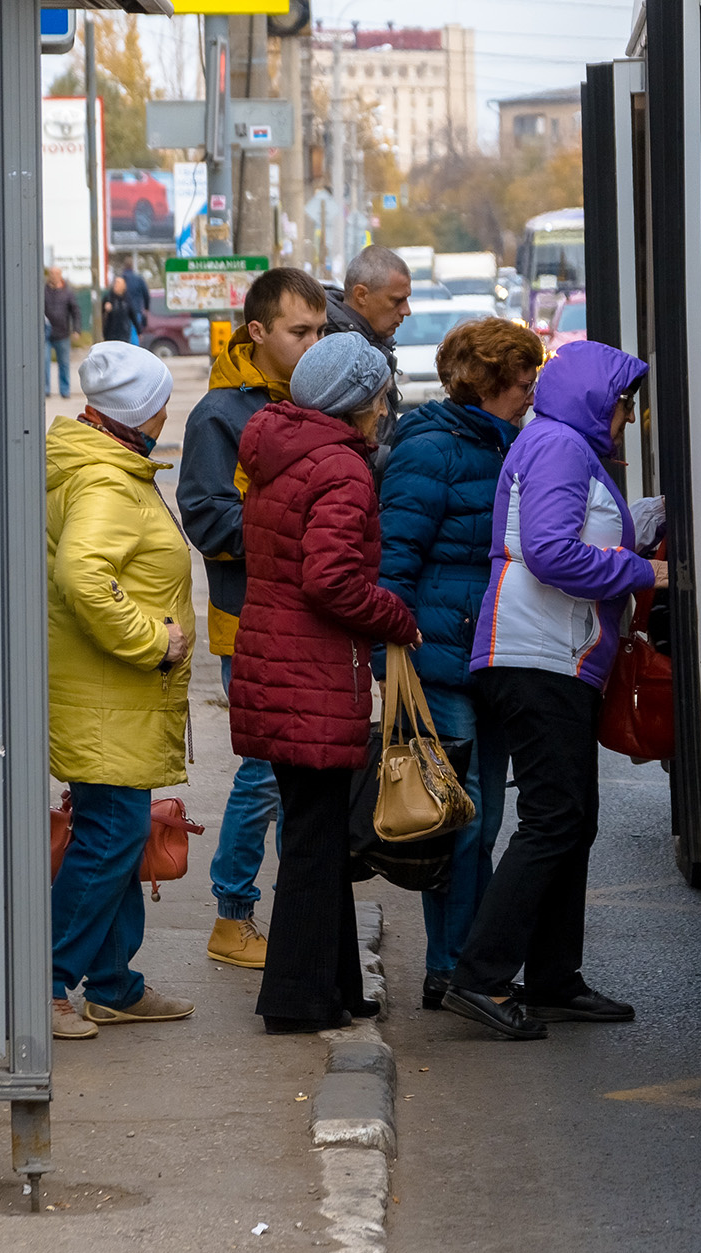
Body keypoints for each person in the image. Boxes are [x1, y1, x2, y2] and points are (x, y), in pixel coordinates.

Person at [444, 340, 668, 1040]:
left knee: (573, 820)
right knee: (553, 820)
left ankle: (552, 979)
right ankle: (479, 976)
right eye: (625, 404)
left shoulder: (558, 444)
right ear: (601, 400)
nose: (628, 419)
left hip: (554, 658)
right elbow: (549, 551)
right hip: (535, 657)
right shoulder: (562, 448)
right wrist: (640, 572)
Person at [228, 332, 418, 1034]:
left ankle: (335, 986)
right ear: (358, 399)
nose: (384, 403)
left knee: (320, 832)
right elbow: (331, 578)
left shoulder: (280, 448)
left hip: (276, 663)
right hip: (309, 671)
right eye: (379, 392)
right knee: (313, 840)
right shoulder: (338, 466)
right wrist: (395, 616)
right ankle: (297, 999)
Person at [375, 317, 544, 1010]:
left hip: (496, 657)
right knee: (459, 818)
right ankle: (452, 963)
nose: (532, 389)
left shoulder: (510, 443)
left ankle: (469, 959)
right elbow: (395, 563)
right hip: (441, 662)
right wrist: (394, 659)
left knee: (487, 816)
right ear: (490, 380)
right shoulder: (433, 449)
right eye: (523, 377)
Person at [176, 267, 328, 970]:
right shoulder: (219, 413)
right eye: (301, 332)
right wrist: (298, 526)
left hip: (310, 611)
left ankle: (291, 913)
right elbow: (207, 518)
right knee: (264, 770)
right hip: (251, 616)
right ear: (259, 332)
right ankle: (231, 914)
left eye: (321, 331)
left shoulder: (315, 396)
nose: (314, 343)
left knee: (298, 772)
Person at [45, 341, 197, 1040]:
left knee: (116, 834)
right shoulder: (107, 480)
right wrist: (151, 638)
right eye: (163, 400)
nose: (169, 410)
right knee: (113, 834)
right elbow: (83, 575)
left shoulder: (106, 462)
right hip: (109, 689)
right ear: (143, 410)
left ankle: (112, 984)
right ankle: (45, 981)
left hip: (110, 693)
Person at [323, 244, 412, 443]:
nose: (407, 310)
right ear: (361, 295)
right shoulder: (333, 349)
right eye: (397, 300)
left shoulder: (371, 340)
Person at [44, 267, 80, 398]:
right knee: (44, 362)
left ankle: (65, 391)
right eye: (51, 274)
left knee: (64, 364)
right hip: (45, 334)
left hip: (63, 333)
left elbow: (76, 312)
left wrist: (76, 329)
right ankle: (45, 390)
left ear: (60, 275)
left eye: (56, 274)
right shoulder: (43, 291)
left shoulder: (67, 292)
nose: (53, 276)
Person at [122, 260, 151, 346]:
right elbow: (146, 295)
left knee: (123, 335)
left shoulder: (121, 279)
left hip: (122, 311)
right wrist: (146, 308)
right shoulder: (139, 279)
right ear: (132, 267)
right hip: (136, 310)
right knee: (134, 334)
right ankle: (133, 352)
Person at [101, 275, 136, 344]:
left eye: (119, 283)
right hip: (110, 333)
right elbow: (101, 312)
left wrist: (139, 330)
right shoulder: (108, 297)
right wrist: (105, 308)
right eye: (115, 283)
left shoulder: (127, 299)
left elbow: (132, 314)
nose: (116, 285)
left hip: (124, 333)